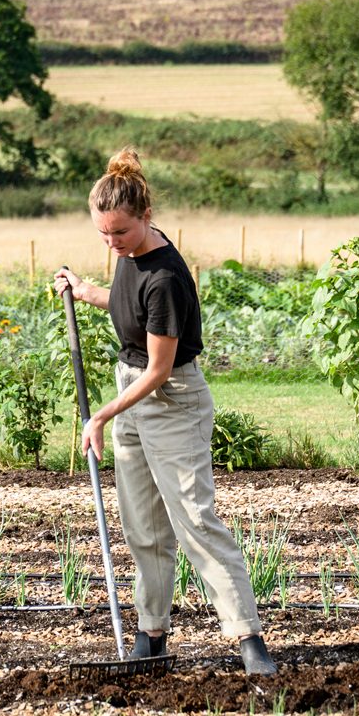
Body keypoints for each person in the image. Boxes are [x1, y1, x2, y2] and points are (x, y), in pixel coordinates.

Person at [54, 149, 276, 676]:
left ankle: (249, 639)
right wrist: (85, 290)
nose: (112, 243)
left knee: (196, 520)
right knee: (144, 528)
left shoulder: (167, 276)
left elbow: (159, 368)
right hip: (130, 393)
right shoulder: (128, 256)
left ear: (146, 217)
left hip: (171, 399)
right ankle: (151, 636)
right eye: (103, 234)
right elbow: (128, 305)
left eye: (121, 234)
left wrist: (100, 416)